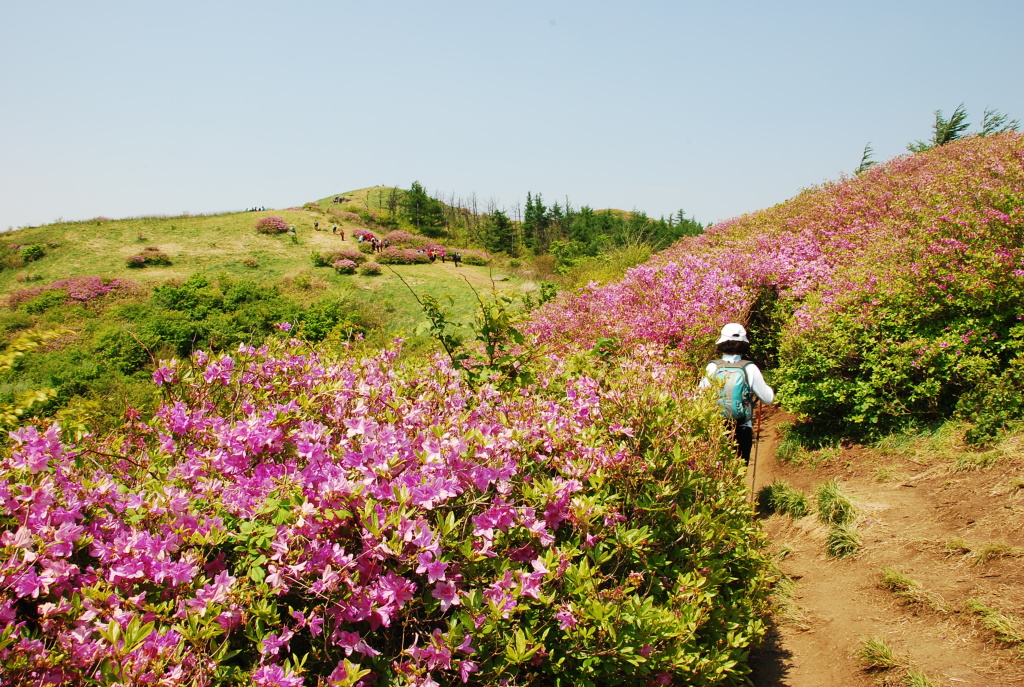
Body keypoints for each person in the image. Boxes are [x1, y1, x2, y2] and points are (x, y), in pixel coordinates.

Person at [700, 323, 774, 464]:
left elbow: (699, 396)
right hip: (742, 427)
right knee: (739, 470)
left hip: (716, 427)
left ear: (722, 342)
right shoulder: (750, 368)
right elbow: (768, 399)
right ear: (743, 344)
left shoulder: (713, 367)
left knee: (716, 470)